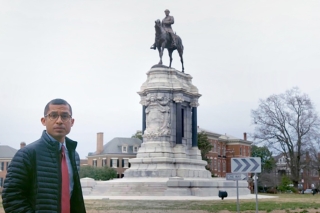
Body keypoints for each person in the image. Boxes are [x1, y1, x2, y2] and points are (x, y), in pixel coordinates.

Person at [2, 98, 86, 213]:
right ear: (43, 121)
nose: (59, 121)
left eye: (65, 116)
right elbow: (11, 197)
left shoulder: (74, 155)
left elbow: (72, 196)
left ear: (72, 122)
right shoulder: (27, 154)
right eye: (53, 115)